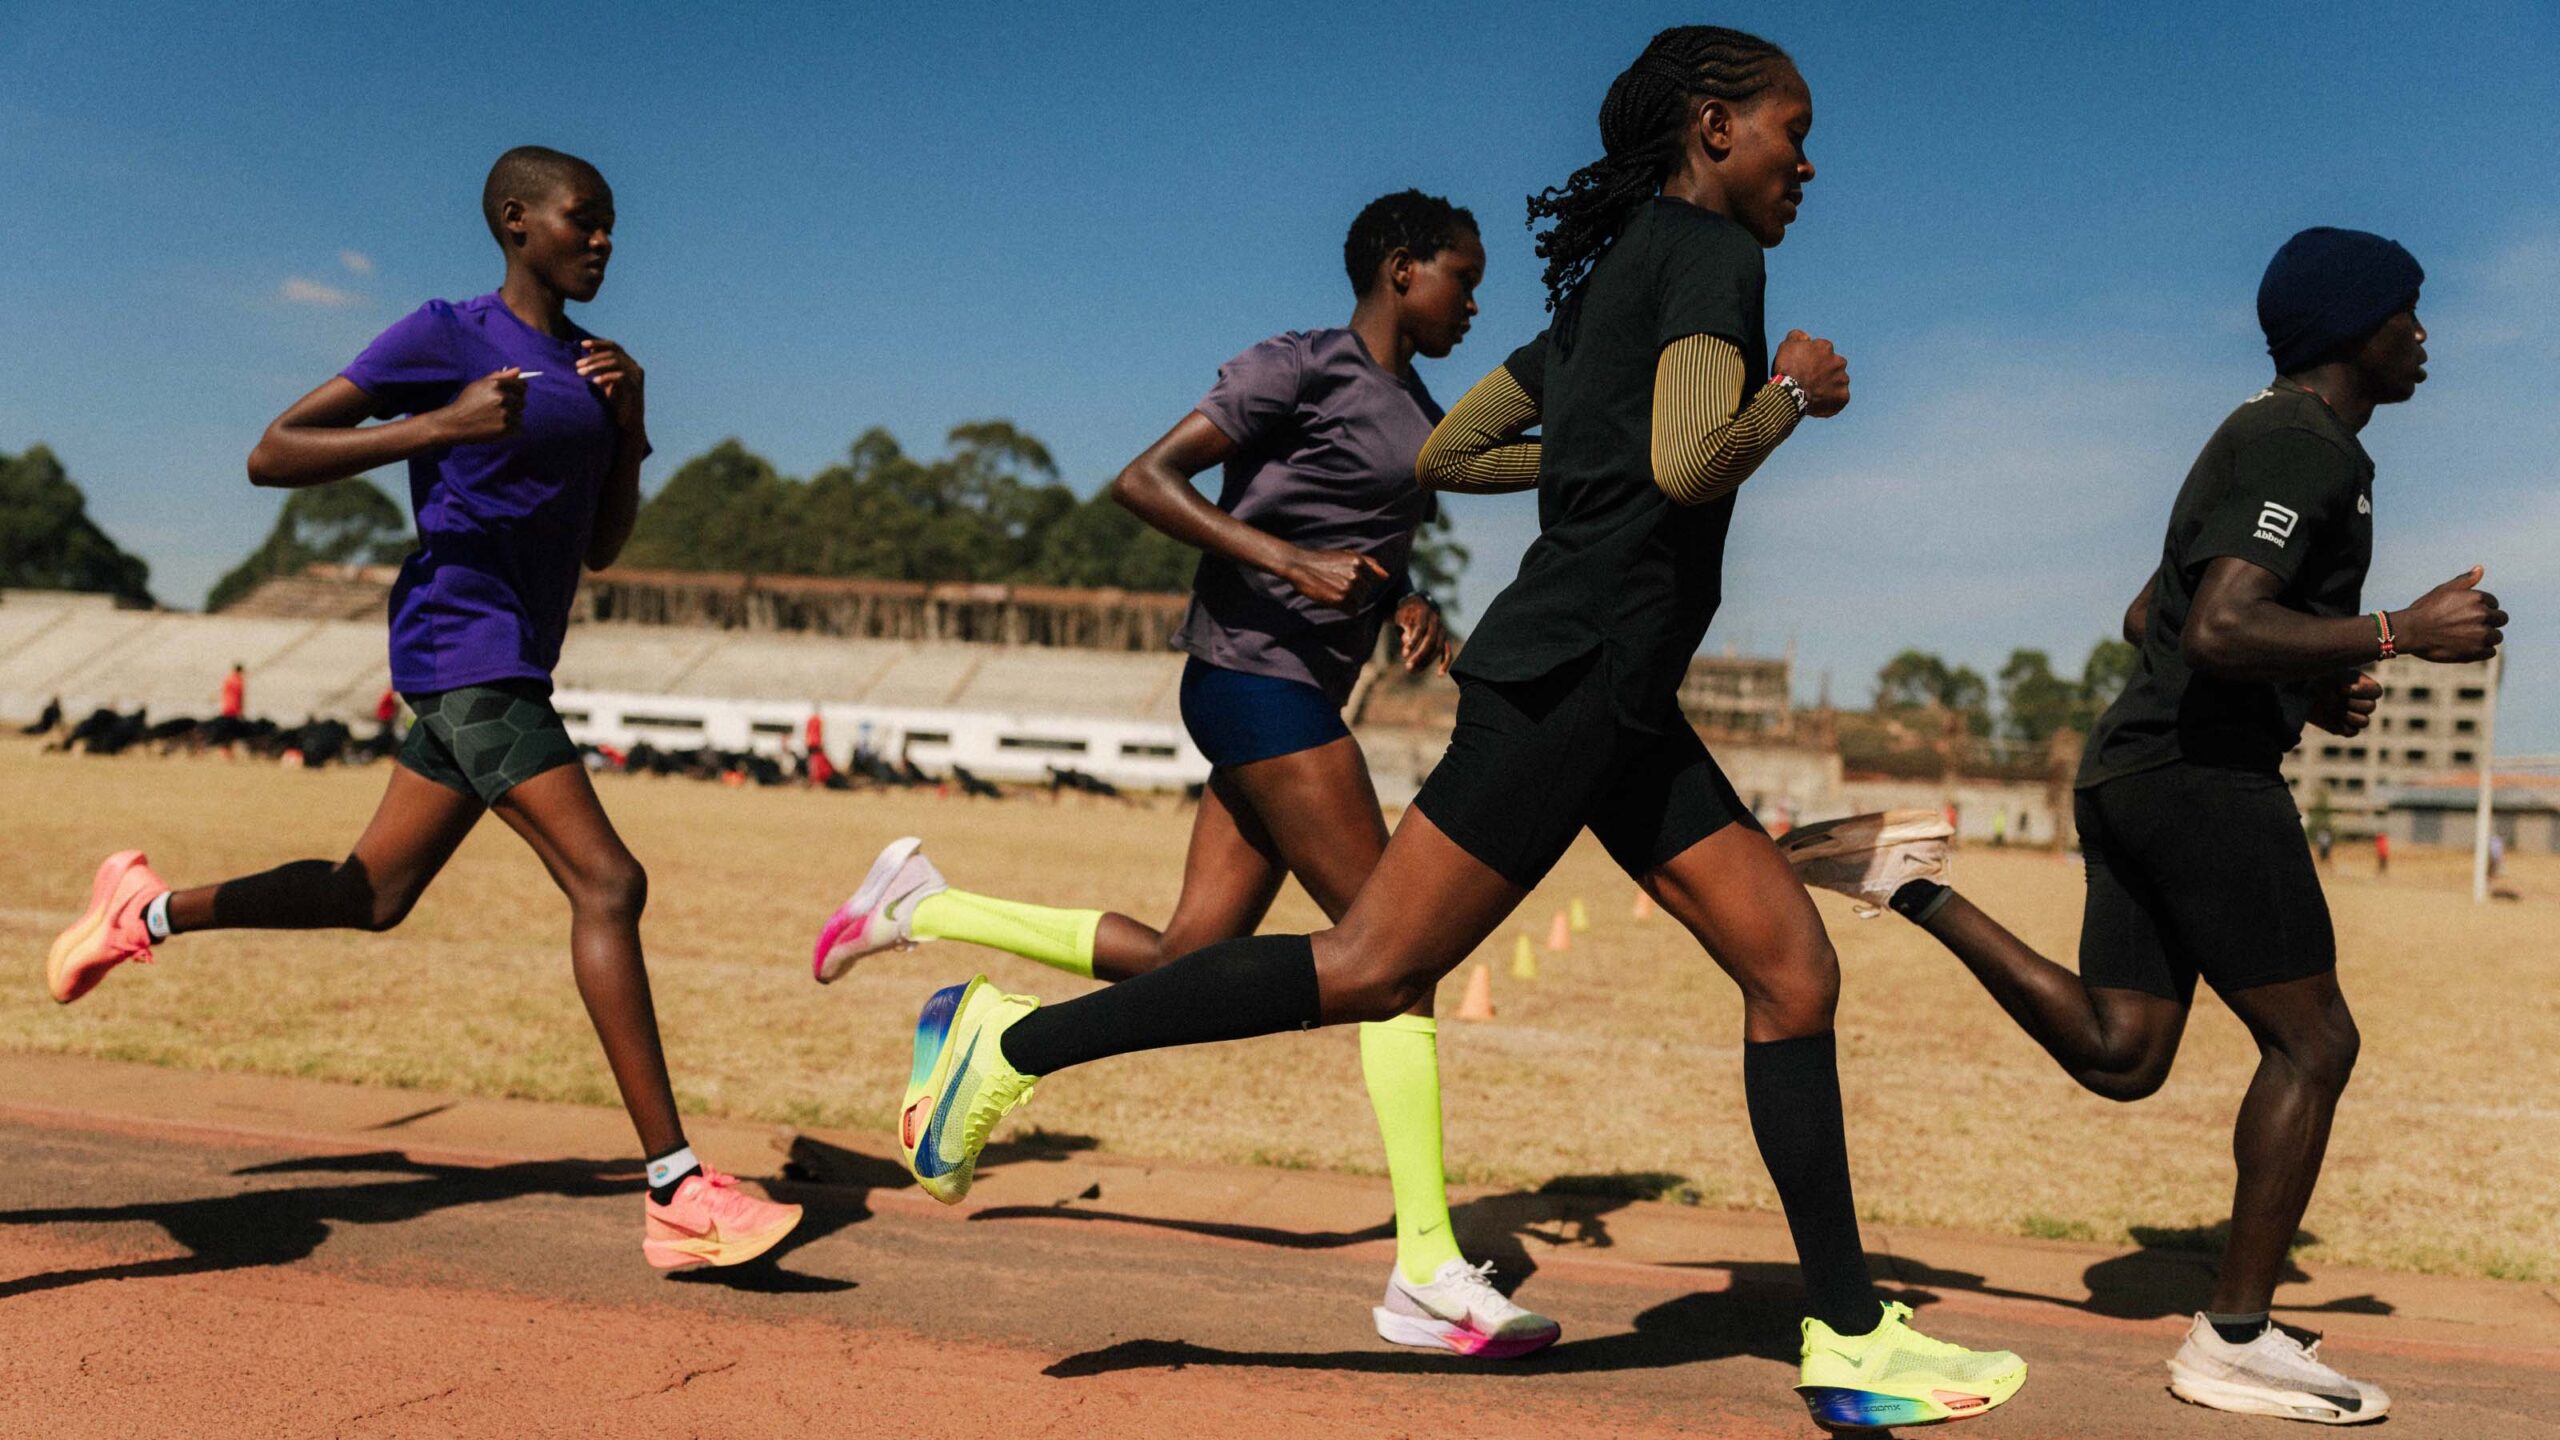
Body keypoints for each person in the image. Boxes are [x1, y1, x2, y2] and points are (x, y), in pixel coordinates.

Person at [880, 29, 2026, 1429]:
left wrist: (1604, 440)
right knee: (1372, 966)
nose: (1808, 161)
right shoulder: (1716, 261)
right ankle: (1008, 1050)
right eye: (1795, 129)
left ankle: (1849, 1335)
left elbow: (1452, 452)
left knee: (1790, 967)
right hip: (1575, 677)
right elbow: (1680, 462)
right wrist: (1788, 397)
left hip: (1614, 688)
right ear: (1716, 126)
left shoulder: (1614, 279)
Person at [812, 191, 1556, 1358]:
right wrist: (1288, 562)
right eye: (1464, 277)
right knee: (1395, 957)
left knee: (1183, 959)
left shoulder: (1420, 412)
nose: (1474, 301)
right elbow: (1144, 481)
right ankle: (1424, 1267)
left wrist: (1408, 603)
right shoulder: (1297, 366)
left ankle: (923, 907)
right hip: (1246, 677)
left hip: (1293, 691)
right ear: (1402, 270)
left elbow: (1361, 538)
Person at [44, 145, 799, 1274]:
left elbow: (597, 547)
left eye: (609, 226)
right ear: (514, 222)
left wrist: (631, 429)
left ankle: (142, 912)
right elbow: (273, 453)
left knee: (371, 893)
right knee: (609, 881)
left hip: (515, 656)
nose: (602, 241)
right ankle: (676, 1190)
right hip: (461, 646)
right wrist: (436, 428)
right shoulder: (444, 334)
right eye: (581, 220)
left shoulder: (595, 368)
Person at [1802, 228, 2503, 1424]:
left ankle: (1910, 882)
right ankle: (2233, 1341)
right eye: (2409, 314)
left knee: (2123, 1053)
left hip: (2134, 768)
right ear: (2353, 330)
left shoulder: (2267, 436)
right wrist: (2395, 632)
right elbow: (2219, 628)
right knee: (2314, 1046)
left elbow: (2152, 614)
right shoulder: (2302, 446)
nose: (2424, 336)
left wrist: (2309, 684)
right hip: (2198, 780)